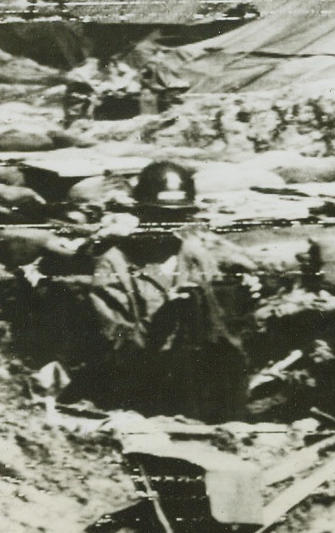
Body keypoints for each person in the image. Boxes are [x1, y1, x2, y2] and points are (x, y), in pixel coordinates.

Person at [17, 160, 260, 422]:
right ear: (141, 214)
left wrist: (242, 304)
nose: (167, 225)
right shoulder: (114, 263)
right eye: (160, 216)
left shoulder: (195, 256)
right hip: (142, 389)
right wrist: (163, 320)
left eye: (177, 217)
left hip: (197, 388)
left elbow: (222, 333)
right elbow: (115, 344)